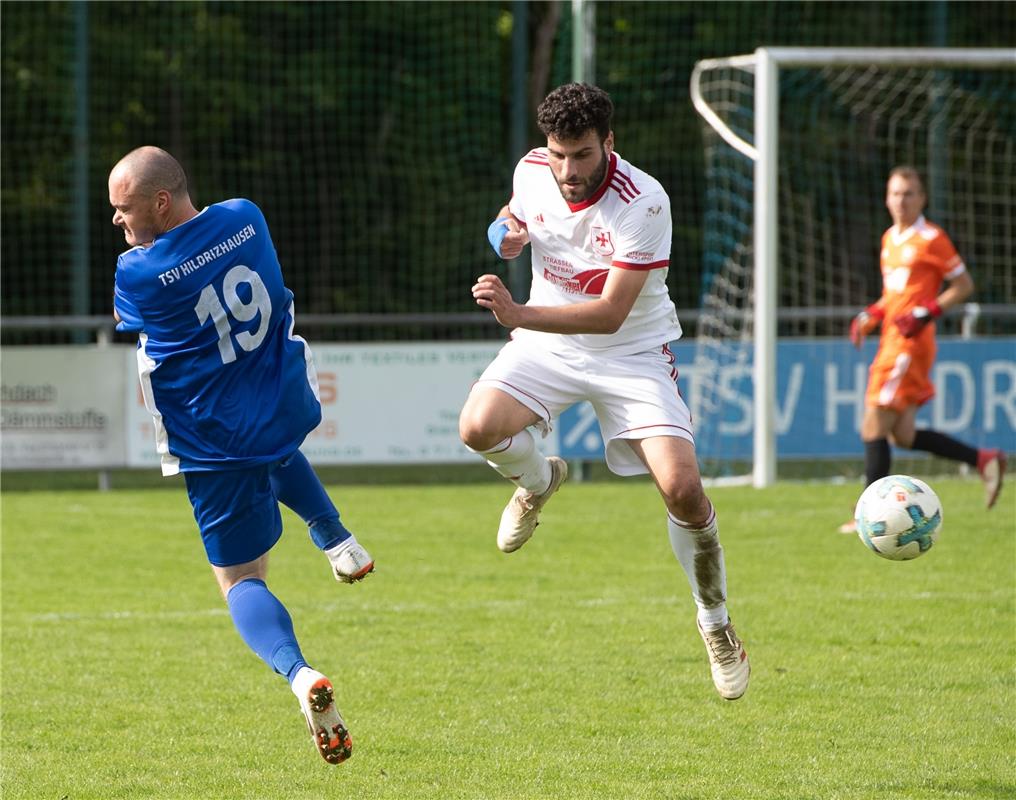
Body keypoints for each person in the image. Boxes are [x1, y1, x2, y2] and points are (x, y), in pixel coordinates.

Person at [458, 83, 750, 700]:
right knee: (477, 426)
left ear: (608, 144)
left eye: (582, 155)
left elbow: (610, 313)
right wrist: (503, 236)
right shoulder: (535, 169)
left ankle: (716, 623)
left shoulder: (643, 202)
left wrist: (516, 314)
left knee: (685, 491)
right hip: (549, 346)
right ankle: (539, 482)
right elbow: (513, 216)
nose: (567, 170)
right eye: (559, 154)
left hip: (630, 354)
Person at [109, 146, 374, 764]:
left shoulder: (137, 273)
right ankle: (336, 537)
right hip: (277, 404)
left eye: (125, 210)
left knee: (239, 579)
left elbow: (138, 317)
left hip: (214, 439)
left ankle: (300, 675)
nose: (119, 224)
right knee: (277, 451)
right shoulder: (247, 216)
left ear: (160, 202)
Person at [840, 165, 1007, 533]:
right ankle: (983, 459)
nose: (902, 200)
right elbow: (893, 296)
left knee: (874, 421)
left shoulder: (932, 238)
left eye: (909, 193)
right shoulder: (889, 239)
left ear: (922, 198)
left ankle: (867, 514)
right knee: (902, 433)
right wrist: (872, 313)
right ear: (886, 198)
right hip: (892, 339)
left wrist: (929, 310)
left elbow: (963, 285)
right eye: (896, 193)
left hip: (909, 344)